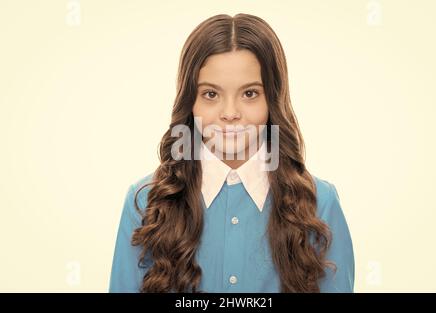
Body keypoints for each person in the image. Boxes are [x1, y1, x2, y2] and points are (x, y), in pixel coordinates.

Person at [109, 13, 354, 293]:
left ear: (272, 100)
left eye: (249, 94)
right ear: (190, 101)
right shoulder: (145, 202)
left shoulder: (320, 203)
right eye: (211, 94)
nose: (230, 114)